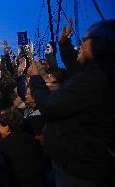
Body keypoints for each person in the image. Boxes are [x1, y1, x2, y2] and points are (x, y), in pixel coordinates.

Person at [27, 19, 115, 186]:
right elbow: (76, 66)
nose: (80, 44)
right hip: (78, 160)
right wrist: (64, 43)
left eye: (85, 39)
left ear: (100, 43)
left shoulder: (94, 80)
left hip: (76, 167)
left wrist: (36, 79)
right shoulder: (97, 72)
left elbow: (49, 106)